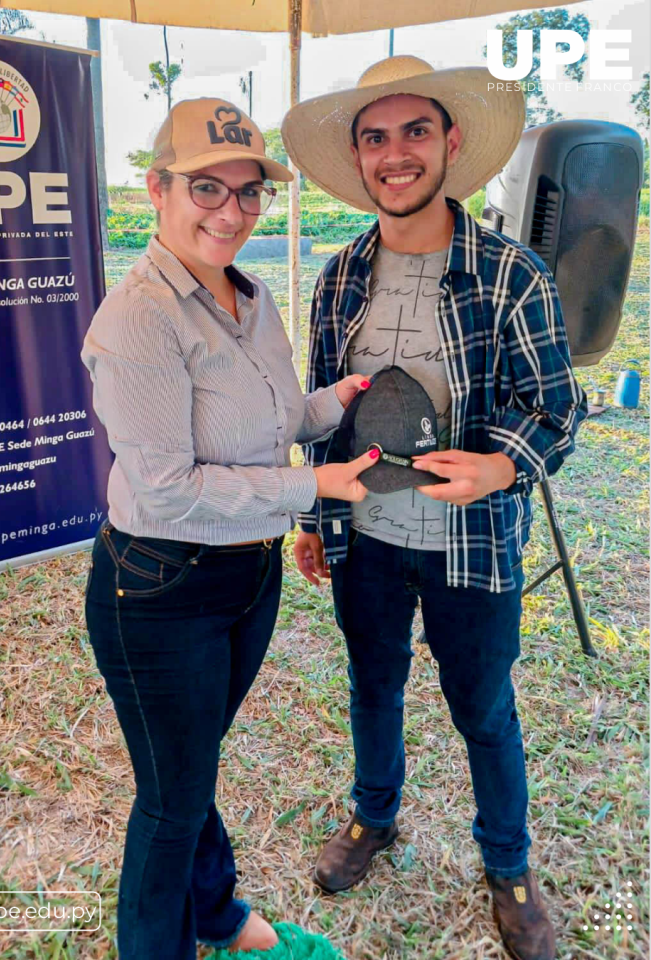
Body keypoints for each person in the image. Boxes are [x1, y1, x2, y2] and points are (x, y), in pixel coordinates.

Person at [282, 57, 587, 960]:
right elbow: (322, 408)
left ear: (451, 145)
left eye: (416, 131)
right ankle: (374, 817)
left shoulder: (510, 274)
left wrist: (500, 470)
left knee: (483, 708)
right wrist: (312, 516)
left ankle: (510, 868)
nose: (395, 154)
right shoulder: (340, 279)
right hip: (366, 540)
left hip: (473, 546)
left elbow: (557, 406)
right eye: (375, 137)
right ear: (359, 159)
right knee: (372, 687)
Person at [80, 98, 378, 960]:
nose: (231, 210)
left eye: (250, 192)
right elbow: (168, 489)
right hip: (161, 587)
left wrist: (340, 400)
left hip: (247, 577)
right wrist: (313, 483)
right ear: (157, 189)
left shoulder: (250, 297)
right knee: (171, 801)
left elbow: (278, 418)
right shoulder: (139, 318)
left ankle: (213, 916)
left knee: (189, 767)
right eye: (206, 187)